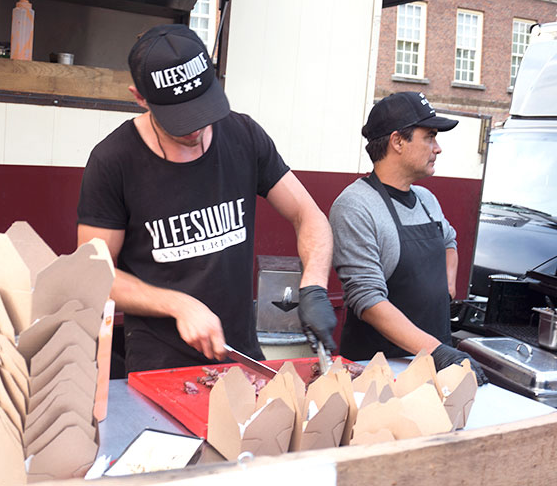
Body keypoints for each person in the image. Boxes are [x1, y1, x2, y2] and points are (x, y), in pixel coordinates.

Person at [76, 24, 337, 372]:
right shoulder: (114, 160)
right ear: (140, 98)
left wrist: (315, 287)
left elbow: (308, 214)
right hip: (160, 363)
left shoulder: (243, 135)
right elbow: (93, 274)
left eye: (202, 109)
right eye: (179, 118)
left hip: (241, 352)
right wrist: (178, 305)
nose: (196, 128)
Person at [329, 91, 488, 385]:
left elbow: (449, 242)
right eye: (429, 137)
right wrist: (438, 351)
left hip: (433, 364)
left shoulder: (427, 200)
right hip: (379, 373)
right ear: (398, 141)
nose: (437, 148)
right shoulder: (355, 206)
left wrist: (447, 287)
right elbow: (368, 300)